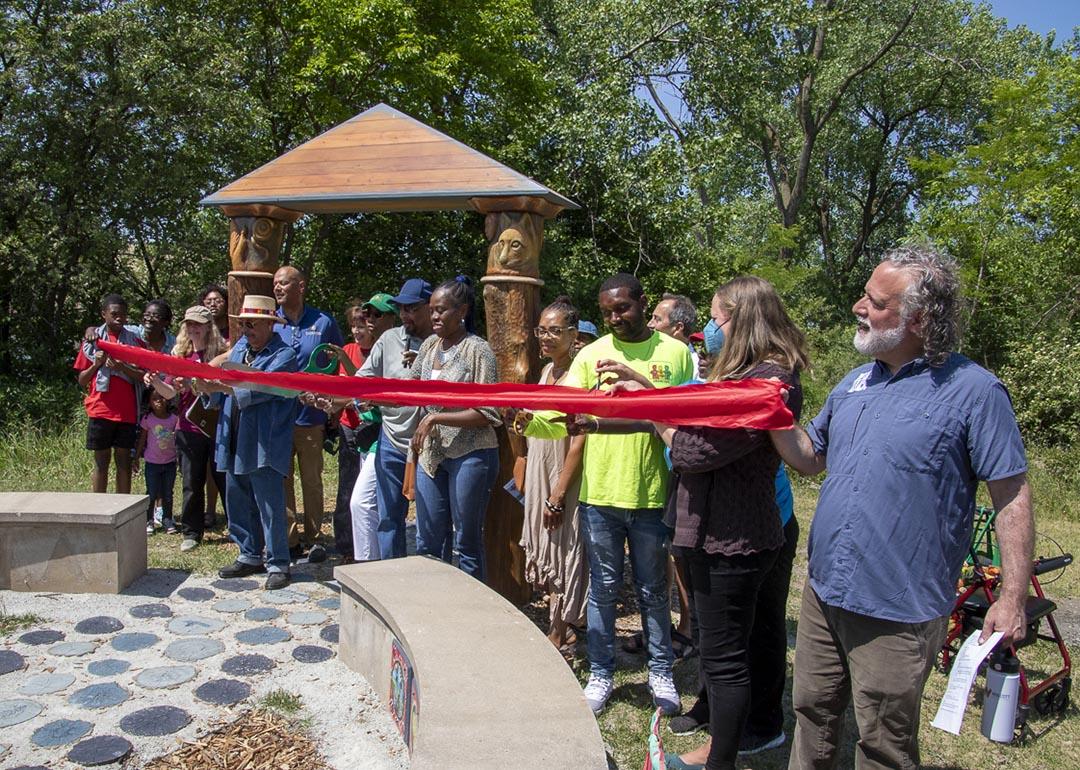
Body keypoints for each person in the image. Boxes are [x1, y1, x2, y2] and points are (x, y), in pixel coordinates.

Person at [769, 245, 1032, 770]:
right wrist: (771, 411)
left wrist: (1013, 596)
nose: (857, 308)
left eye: (875, 301)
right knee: (812, 711)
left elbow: (1012, 496)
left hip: (898, 606)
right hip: (826, 590)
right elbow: (810, 457)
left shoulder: (974, 392)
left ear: (919, 318)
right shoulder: (855, 382)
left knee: (883, 742)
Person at [628, 277, 808, 770]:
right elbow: (694, 422)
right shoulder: (742, 378)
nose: (710, 328)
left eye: (717, 317)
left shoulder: (765, 385)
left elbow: (691, 451)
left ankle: (722, 759)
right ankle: (719, 745)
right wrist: (650, 404)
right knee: (719, 650)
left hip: (735, 538)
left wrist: (660, 424)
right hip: (714, 531)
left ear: (741, 319)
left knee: (729, 660)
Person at [523, 273, 693, 716]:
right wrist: (526, 420)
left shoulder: (675, 355)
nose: (615, 318)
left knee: (655, 591)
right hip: (599, 495)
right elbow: (560, 412)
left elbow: (688, 417)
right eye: (606, 312)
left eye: (623, 308)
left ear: (642, 302)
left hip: (653, 493)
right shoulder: (592, 355)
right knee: (602, 589)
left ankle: (661, 671)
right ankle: (601, 671)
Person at [197, 294, 299, 590]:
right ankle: (248, 553)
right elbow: (221, 387)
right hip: (233, 435)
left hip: (263, 440)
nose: (246, 329)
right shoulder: (240, 348)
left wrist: (222, 384)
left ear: (270, 324)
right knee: (236, 496)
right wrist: (205, 387)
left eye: (253, 323)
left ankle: (278, 562)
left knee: (269, 503)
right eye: (243, 323)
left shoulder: (285, 355)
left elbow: (260, 386)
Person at [508, 296, 589, 653]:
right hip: (541, 463)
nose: (546, 337)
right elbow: (544, 424)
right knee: (546, 545)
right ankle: (558, 627)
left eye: (555, 331)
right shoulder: (547, 372)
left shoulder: (579, 376)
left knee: (563, 545)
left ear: (574, 335)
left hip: (563, 473)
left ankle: (561, 629)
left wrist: (557, 494)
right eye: (542, 330)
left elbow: (578, 440)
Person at [408, 277, 501, 579]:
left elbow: (489, 411)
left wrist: (436, 418)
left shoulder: (478, 351)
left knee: (467, 540)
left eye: (442, 310)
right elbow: (407, 389)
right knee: (428, 539)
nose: (434, 316)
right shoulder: (429, 346)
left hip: (471, 453)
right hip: (431, 455)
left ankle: (472, 614)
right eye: (432, 310)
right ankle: (433, 605)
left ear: (462, 311)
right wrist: (351, 398)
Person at [355, 278, 434, 559]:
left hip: (429, 443)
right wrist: (343, 397)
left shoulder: (441, 343)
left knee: (430, 522)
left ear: (429, 307)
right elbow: (363, 379)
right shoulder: (389, 340)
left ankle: (431, 580)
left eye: (412, 308)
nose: (405, 315)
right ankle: (391, 578)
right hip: (390, 438)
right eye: (401, 309)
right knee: (388, 517)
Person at [273, 265, 344, 562]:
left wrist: (332, 405)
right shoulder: (269, 322)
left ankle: (315, 538)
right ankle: (290, 540)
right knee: (282, 478)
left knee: (312, 480)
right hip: (277, 416)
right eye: (275, 283)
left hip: (311, 418)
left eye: (283, 283)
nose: (277, 288)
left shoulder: (323, 321)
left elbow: (338, 363)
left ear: (300, 286)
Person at [144, 305, 228, 551]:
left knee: (225, 479)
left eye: (198, 324)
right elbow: (169, 393)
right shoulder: (180, 354)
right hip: (188, 427)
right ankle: (191, 532)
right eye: (189, 323)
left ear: (208, 326)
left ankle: (237, 527)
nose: (193, 328)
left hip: (217, 425)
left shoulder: (222, 352)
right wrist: (156, 380)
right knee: (191, 482)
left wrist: (200, 381)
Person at [74, 293, 146, 494]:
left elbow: (144, 377)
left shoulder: (134, 341)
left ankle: (122, 510)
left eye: (123, 315)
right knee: (101, 462)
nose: (119, 318)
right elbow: (82, 380)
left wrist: (123, 367)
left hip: (127, 412)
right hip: (100, 409)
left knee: (124, 462)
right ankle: (99, 509)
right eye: (114, 314)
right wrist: (97, 364)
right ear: (103, 314)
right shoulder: (92, 341)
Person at [199, 283, 229, 525]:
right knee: (208, 461)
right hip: (201, 404)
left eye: (217, 299)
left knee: (222, 458)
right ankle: (209, 510)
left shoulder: (236, 332)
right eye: (208, 300)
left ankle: (232, 512)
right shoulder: (197, 332)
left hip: (228, 403)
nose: (212, 303)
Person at [135, 388, 179, 535]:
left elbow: (179, 440)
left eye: (162, 397)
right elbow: (142, 439)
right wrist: (136, 457)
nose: (159, 401)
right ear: (149, 402)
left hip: (170, 462)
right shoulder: (148, 419)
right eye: (155, 398)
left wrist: (179, 458)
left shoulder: (174, 419)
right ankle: (149, 521)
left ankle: (167, 520)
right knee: (152, 493)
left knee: (167, 493)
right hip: (152, 463)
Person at [648, 292, 700, 373]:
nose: (649, 324)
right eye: (652, 318)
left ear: (678, 327)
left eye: (657, 319)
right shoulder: (649, 356)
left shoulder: (696, 368)